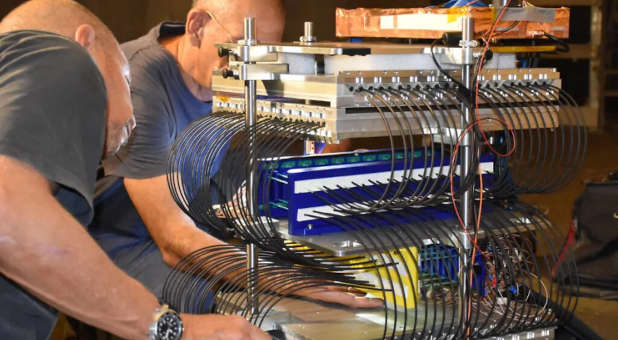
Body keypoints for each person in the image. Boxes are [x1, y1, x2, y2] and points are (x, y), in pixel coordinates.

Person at [0, 0, 271, 339]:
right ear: (86, 43)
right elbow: (7, 209)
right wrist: (171, 328)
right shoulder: (62, 55)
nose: (132, 114)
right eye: (126, 80)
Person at [91, 0, 383, 309]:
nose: (247, 69)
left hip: (188, 210)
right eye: (238, 50)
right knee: (196, 297)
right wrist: (297, 284)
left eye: (261, 56)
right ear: (197, 26)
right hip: (115, 234)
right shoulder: (140, 81)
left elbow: (328, 134)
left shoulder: (226, 67)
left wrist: (342, 116)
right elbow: (174, 241)